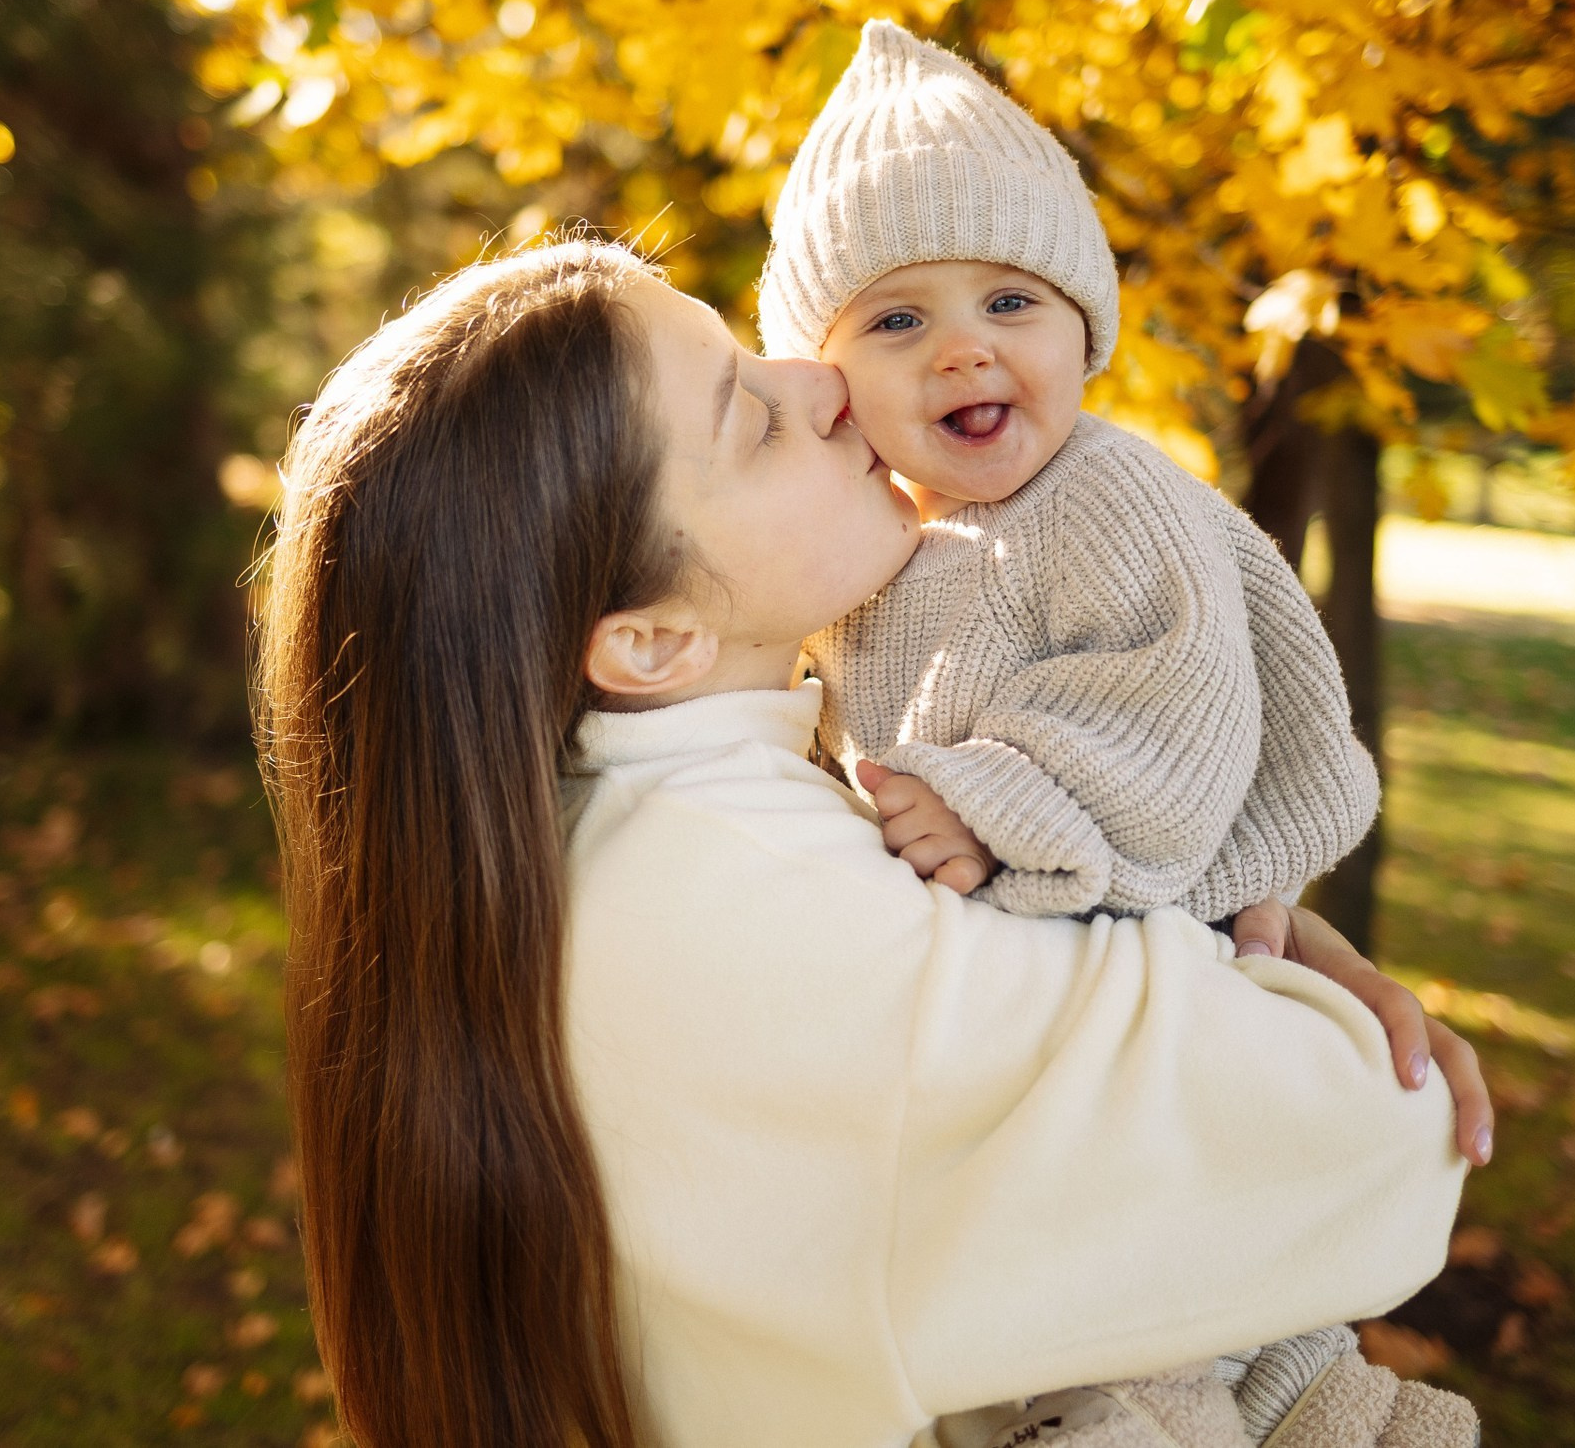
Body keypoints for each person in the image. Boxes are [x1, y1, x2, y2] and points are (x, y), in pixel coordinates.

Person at [254, 238, 1490, 1448]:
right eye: (750, 415)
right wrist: (1259, 971)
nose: (823, 381)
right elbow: (1376, 1140)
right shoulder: (764, 911)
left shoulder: (622, 844)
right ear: (649, 642)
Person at [760, 20, 1479, 1447]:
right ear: (832, 380)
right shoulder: (883, 552)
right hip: (1019, 1026)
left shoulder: (1106, 496)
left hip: (1118, 961)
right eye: (896, 320)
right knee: (1207, 1332)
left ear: (1084, 326)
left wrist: (993, 797)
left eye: (1010, 299)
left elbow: (1178, 696)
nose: (964, 343)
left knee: (1140, 1337)